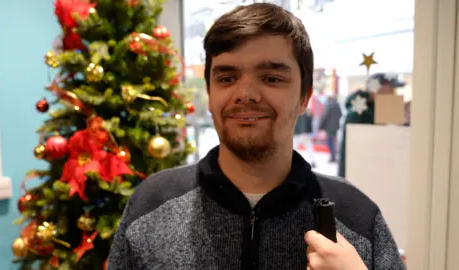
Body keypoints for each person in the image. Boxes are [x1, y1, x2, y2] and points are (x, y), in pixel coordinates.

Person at [108, 4, 405, 270]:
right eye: (226, 78)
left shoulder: (357, 218)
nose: (246, 95)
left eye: (271, 78)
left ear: (305, 97)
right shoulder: (150, 207)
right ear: (210, 95)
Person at [337, 73, 405, 177]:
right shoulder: (359, 108)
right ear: (376, 89)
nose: (393, 93)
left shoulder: (378, 107)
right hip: (359, 172)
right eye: (391, 88)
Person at [319, 94, 342, 162]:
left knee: (329, 142)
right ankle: (334, 156)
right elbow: (340, 114)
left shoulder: (328, 105)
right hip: (335, 127)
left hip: (329, 127)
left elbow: (325, 116)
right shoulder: (337, 104)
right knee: (333, 141)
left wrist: (321, 126)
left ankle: (332, 157)